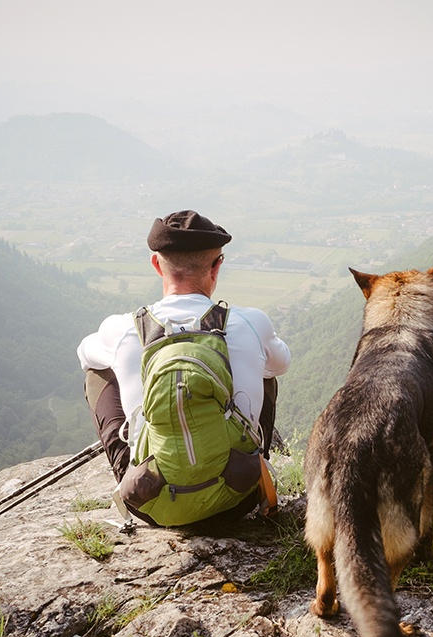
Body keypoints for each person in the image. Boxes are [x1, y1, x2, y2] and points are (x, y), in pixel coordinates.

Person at [77, 209, 291, 524]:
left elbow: (85, 354)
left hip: (151, 505)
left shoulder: (124, 329)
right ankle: (252, 462)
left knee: (98, 374)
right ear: (216, 267)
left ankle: (132, 473)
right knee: (266, 370)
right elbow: (281, 363)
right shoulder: (250, 321)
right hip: (237, 499)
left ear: (156, 265)